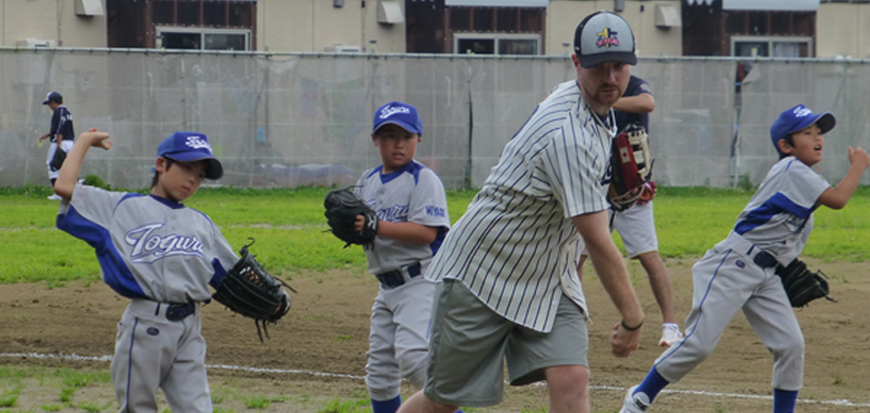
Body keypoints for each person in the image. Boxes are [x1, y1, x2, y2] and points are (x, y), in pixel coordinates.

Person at [396, 11, 645, 413]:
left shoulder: (595, 106)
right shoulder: (566, 133)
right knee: (443, 401)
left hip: (547, 275)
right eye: (599, 67)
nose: (612, 78)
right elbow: (597, 238)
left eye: (620, 66)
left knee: (573, 377)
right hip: (483, 275)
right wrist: (633, 317)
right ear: (576, 62)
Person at [619, 104, 870, 413]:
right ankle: (640, 397)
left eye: (819, 132)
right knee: (699, 345)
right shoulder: (792, 170)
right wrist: (858, 166)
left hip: (765, 276)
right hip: (731, 265)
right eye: (807, 132)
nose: (817, 137)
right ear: (785, 146)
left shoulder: (802, 179)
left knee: (791, 345)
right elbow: (839, 200)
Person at [54, 130, 241, 413]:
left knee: (198, 409)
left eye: (200, 174)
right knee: (138, 408)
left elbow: (232, 274)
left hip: (190, 329)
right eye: (187, 167)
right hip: (145, 327)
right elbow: (64, 186)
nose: (193, 179)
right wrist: (83, 142)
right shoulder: (121, 208)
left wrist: (270, 296)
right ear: (161, 164)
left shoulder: (201, 223)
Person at [355, 101, 452, 413]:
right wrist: (352, 229)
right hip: (387, 287)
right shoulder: (366, 181)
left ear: (418, 139)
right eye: (388, 135)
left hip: (420, 281)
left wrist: (377, 225)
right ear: (374, 139)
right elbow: (364, 232)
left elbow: (428, 233)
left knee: (415, 360)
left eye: (405, 136)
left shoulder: (424, 180)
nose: (398, 143)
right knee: (380, 375)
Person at [576, 75, 684, 347]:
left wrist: (607, 100)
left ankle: (671, 326)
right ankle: (571, 321)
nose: (610, 73)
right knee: (576, 258)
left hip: (632, 190)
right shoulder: (584, 88)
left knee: (649, 257)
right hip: (596, 189)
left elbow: (647, 104)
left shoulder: (632, 84)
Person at [38, 91, 74, 200]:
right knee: (66, 167)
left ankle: (58, 192)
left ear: (54, 102)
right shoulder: (67, 112)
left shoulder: (59, 112)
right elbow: (65, 128)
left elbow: (60, 129)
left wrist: (58, 146)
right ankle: (69, 189)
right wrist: (49, 134)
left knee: (53, 166)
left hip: (60, 142)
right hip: (69, 142)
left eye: (50, 104)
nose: (50, 106)